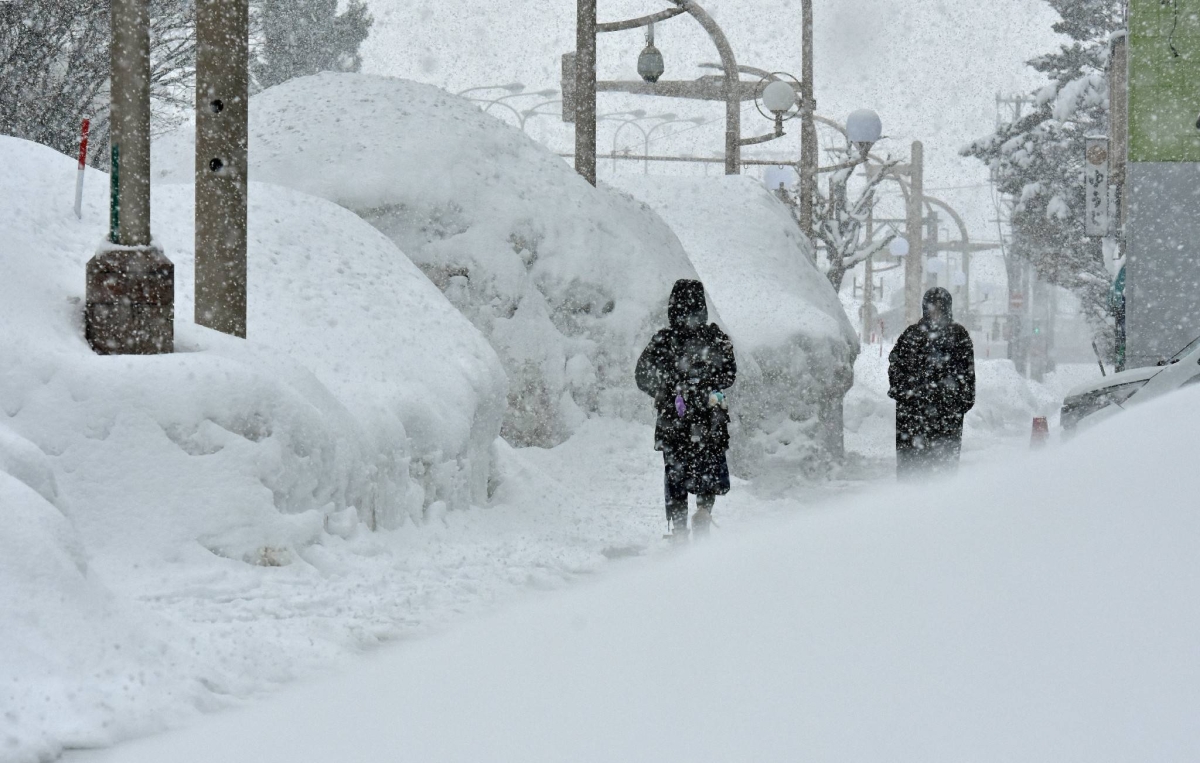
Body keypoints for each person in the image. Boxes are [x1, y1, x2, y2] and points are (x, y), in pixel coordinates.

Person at [635, 280, 737, 541]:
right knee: (709, 467)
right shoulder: (715, 337)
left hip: (674, 419)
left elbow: (642, 375)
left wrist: (665, 388)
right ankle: (703, 511)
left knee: (676, 474)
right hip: (708, 418)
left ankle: (679, 529)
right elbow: (728, 375)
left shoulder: (664, 340)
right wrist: (705, 383)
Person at [888, 287, 975, 480]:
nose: (935, 312)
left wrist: (957, 403)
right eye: (932, 308)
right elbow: (895, 367)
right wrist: (906, 394)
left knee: (939, 473)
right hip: (916, 418)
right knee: (915, 472)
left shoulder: (958, 336)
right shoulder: (913, 335)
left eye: (939, 308)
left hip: (940, 418)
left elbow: (967, 377)